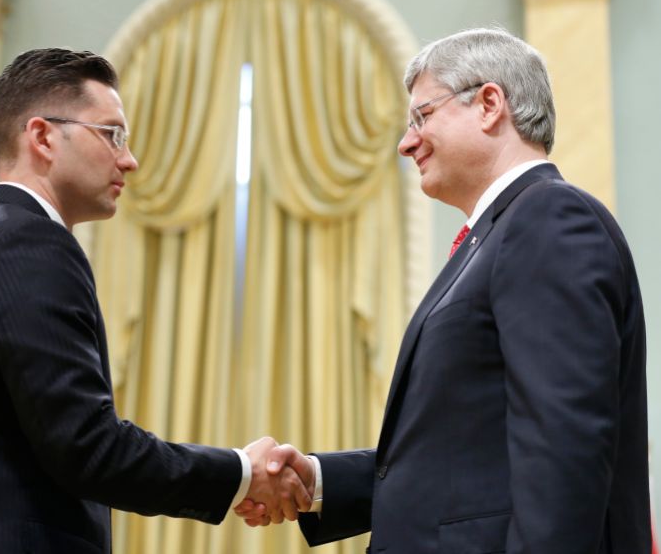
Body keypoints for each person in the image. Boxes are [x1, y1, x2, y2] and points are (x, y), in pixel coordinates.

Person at [237, 28, 651, 553]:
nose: (406, 142)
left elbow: (563, 448)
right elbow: (466, 459)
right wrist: (318, 482)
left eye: (422, 116)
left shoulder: (548, 216)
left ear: (489, 104)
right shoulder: (500, 235)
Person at [0, 48, 312, 553]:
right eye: (112, 134)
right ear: (42, 137)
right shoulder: (26, 241)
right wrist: (243, 473)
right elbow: (88, 446)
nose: (129, 159)